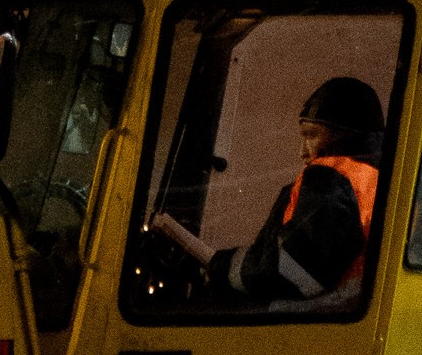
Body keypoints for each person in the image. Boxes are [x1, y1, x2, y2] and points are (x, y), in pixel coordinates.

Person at [154, 77, 384, 302]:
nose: (302, 152)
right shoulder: (377, 178)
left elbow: (294, 272)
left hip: (303, 321)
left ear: (344, 134)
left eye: (311, 136)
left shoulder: (330, 178)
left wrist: (220, 267)